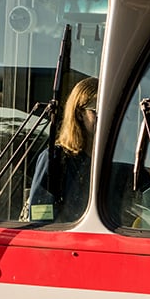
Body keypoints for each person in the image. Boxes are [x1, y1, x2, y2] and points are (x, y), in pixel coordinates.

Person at [25, 76, 98, 222]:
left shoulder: (115, 160)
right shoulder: (54, 159)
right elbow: (39, 219)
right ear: (79, 114)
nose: (104, 118)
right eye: (96, 111)